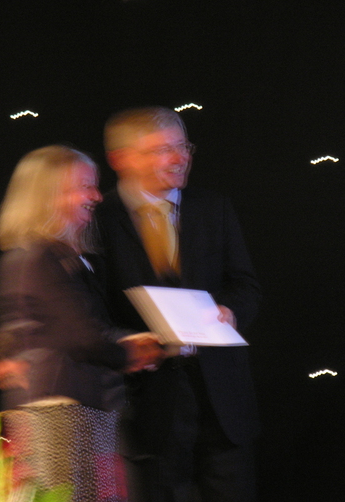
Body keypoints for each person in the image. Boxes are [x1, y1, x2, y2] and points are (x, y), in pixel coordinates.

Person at [96, 107, 261, 502]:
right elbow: (94, 311)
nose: (180, 158)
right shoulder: (99, 221)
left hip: (222, 401)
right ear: (121, 159)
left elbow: (246, 285)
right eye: (162, 150)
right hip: (149, 406)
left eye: (184, 146)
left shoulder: (212, 207)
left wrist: (230, 311)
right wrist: (130, 344)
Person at [0, 145, 163, 501]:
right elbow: (81, 338)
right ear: (48, 195)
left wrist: (133, 343)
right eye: (84, 187)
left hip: (79, 409)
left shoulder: (63, 257)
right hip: (57, 415)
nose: (97, 197)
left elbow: (82, 329)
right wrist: (132, 352)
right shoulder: (35, 257)